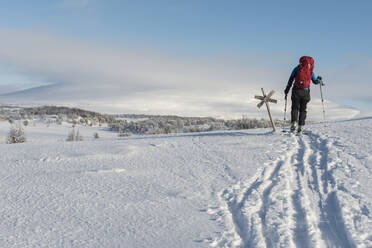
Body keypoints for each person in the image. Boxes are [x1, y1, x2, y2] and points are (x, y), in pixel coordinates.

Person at [284, 56, 323, 133]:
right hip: (305, 93)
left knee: (295, 108)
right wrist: (319, 80)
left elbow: (290, 80)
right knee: (303, 109)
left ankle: (294, 123)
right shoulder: (311, 71)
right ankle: (301, 126)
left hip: (296, 91)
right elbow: (315, 81)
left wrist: (286, 91)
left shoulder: (297, 68)